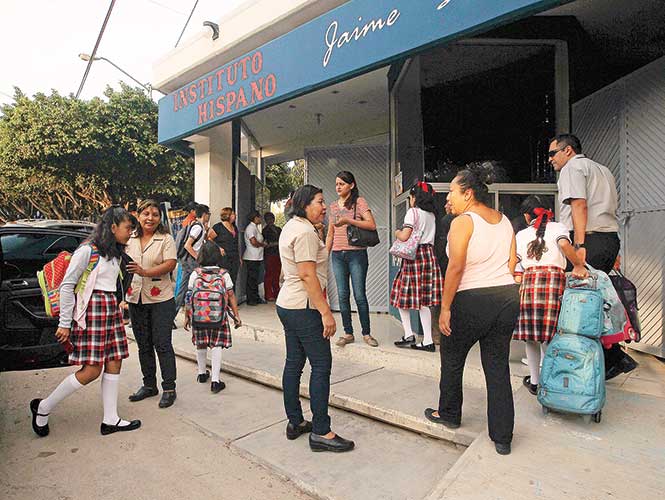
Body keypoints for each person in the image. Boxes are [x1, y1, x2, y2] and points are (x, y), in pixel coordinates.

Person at [424, 164, 519, 456]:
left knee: (452, 357)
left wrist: (445, 308)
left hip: (471, 299)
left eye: (452, 191)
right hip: (506, 298)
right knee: (497, 366)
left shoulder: (463, 222)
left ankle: (449, 413)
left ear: (468, 193)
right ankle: (502, 437)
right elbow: (512, 264)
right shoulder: (504, 221)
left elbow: (455, 267)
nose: (447, 198)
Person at [30, 207, 140, 437]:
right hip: (92, 312)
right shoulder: (87, 251)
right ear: (113, 227)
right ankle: (43, 407)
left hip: (110, 310)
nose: (130, 232)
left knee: (114, 362)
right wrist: (64, 323)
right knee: (91, 371)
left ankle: (110, 420)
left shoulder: (114, 254)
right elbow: (67, 286)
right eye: (128, 228)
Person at [549, 133, 637, 380]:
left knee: (577, 304)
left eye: (552, 153)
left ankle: (587, 367)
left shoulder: (572, 167)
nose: (550, 160)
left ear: (567, 151)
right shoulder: (603, 170)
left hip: (588, 239)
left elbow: (579, 205)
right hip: (608, 240)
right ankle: (611, 356)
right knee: (595, 301)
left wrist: (579, 246)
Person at [277, 185, 354, 453]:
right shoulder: (305, 232)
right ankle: (321, 431)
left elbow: (311, 260)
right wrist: (325, 312)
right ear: (304, 204)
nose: (324, 207)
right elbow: (308, 275)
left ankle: (295, 422)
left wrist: (325, 232)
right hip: (304, 307)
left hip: (287, 304)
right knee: (321, 365)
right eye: (320, 202)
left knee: (294, 364)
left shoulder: (293, 227)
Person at [513, 195, 587, 395]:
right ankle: (551, 379)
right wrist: (579, 265)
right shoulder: (559, 228)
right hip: (554, 282)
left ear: (528, 216)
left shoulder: (521, 234)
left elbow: (513, 261)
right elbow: (564, 246)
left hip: (530, 283)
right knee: (550, 335)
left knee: (531, 337)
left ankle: (535, 382)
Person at [124, 200, 179, 409]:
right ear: (138, 216)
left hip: (160, 299)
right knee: (143, 344)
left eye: (155, 214)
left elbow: (170, 263)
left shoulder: (165, 239)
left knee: (162, 343)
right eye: (146, 213)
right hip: (135, 298)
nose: (150, 218)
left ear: (160, 218)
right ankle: (149, 385)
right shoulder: (130, 239)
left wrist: (144, 272)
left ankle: (169, 388)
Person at [326, 171, 378, 347]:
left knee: (359, 295)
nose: (338, 187)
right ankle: (348, 333)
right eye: (336, 184)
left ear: (351, 185)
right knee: (342, 295)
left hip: (356, 253)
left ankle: (366, 333)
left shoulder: (359, 202)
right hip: (337, 255)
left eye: (342, 183)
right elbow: (330, 233)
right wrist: (325, 254)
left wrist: (349, 220)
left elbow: (371, 224)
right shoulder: (333, 206)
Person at [392, 181, 443, 352]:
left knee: (400, 296)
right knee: (424, 301)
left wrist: (397, 233)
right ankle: (427, 339)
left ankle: (409, 334)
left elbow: (405, 236)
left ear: (415, 197)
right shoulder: (432, 216)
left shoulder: (412, 212)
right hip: (429, 255)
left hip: (414, 257)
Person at [184, 241, 241, 393]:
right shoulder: (224, 274)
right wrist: (236, 316)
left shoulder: (195, 274)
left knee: (201, 343)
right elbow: (231, 295)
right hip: (218, 317)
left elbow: (189, 297)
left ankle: (202, 373)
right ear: (217, 256)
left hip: (199, 316)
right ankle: (215, 380)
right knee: (217, 344)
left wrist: (187, 316)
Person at [175, 204, 210, 314]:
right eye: (208, 214)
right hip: (191, 262)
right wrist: (198, 258)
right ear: (204, 214)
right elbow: (187, 245)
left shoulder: (198, 226)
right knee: (187, 288)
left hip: (189, 261)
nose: (209, 216)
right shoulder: (197, 227)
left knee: (188, 287)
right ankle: (172, 315)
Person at [208, 207, 241, 289]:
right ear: (227, 215)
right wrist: (219, 248)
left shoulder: (234, 227)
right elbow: (209, 239)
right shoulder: (218, 227)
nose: (235, 215)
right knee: (224, 279)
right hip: (223, 258)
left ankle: (231, 299)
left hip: (234, 257)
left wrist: (239, 257)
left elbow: (236, 243)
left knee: (233, 280)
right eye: (233, 214)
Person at [243, 210, 266, 306]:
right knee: (252, 279)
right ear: (255, 218)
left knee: (255, 278)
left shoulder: (255, 228)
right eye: (259, 217)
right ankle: (251, 299)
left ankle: (255, 297)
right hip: (252, 256)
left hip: (257, 257)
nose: (260, 219)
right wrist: (262, 244)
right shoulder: (250, 228)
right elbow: (253, 242)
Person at [262, 212, 282, 301]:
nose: (270, 220)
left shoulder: (278, 229)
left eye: (272, 218)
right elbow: (266, 243)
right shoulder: (265, 230)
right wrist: (275, 244)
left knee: (276, 274)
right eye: (268, 219)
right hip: (269, 254)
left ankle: (277, 292)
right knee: (269, 274)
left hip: (277, 253)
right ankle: (269, 294)